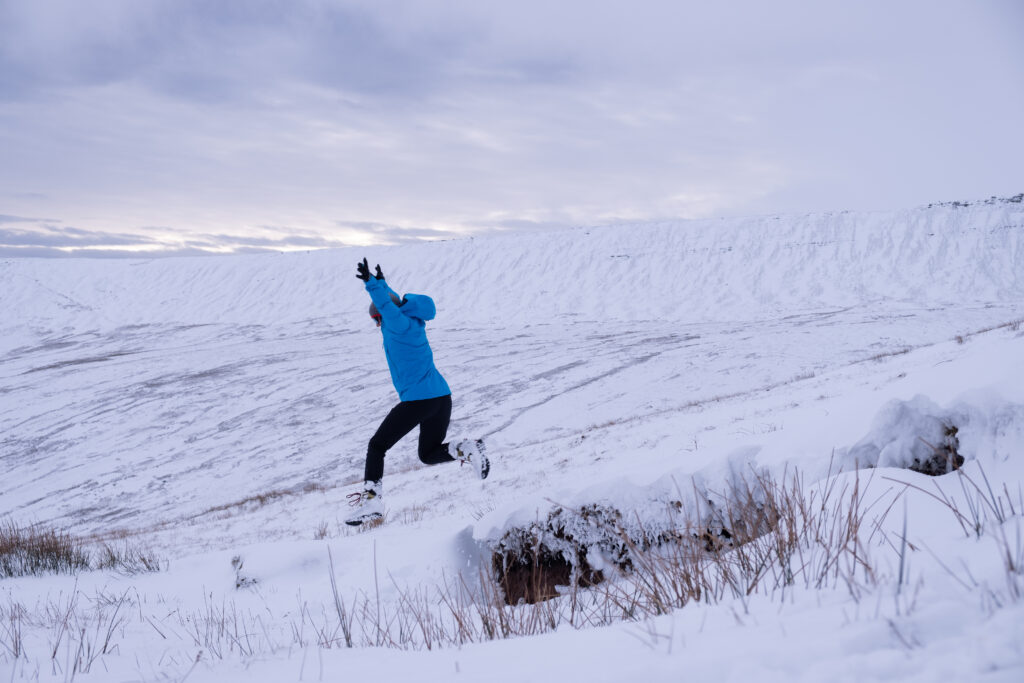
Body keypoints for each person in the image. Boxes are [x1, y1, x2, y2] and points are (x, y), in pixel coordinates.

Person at [345, 258, 489, 526]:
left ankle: (371, 501)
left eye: (376, 321)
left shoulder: (397, 325)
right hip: (441, 398)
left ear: (380, 318)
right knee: (428, 454)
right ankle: (468, 448)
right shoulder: (412, 323)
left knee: (377, 446)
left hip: (419, 401)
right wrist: (382, 283)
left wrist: (370, 285)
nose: (377, 326)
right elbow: (393, 301)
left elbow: (387, 305)